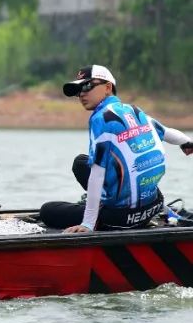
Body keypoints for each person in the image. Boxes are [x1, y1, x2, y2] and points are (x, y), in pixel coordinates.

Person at [40, 64, 193, 233]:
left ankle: (101, 212)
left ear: (107, 87)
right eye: (78, 90)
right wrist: (187, 143)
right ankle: (164, 211)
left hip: (121, 218)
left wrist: (88, 223)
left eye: (88, 86)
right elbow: (167, 133)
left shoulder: (100, 119)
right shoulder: (134, 110)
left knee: (47, 211)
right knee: (81, 163)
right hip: (154, 205)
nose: (82, 93)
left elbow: (97, 174)